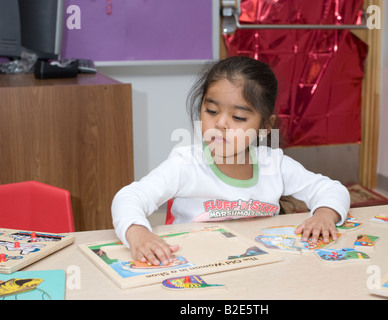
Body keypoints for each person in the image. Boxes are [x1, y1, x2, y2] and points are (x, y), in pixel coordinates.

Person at [112, 56, 350, 266]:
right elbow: (130, 197)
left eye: (238, 117)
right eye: (212, 111)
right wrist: (138, 232)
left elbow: (330, 189)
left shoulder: (274, 164)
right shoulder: (186, 163)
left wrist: (324, 214)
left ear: (264, 127)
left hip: (259, 267)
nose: (221, 123)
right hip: (196, 265)